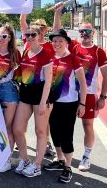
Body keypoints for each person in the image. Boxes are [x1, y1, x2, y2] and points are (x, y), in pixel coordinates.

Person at [53, 5, 107, 172]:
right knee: (62, 126)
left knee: (87, 125)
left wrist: (103, 97)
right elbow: (58, 33)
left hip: (90, 94)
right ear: (79, 33)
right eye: (82, 31)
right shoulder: (74, 47)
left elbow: (106, 76)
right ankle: (61, 155)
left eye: (88, 31)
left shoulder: (99, 51)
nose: (85, 34)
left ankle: (86, 156)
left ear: (93, 33)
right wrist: (57, 13)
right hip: (70, 93)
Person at [42, 29, 87, 184]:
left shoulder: (73, 59)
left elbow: (82, 83)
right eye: (55, 41)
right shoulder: (49, 58)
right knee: (55, 133)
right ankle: (60, 160)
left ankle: (68, 167)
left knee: (67, 135)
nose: (57, 43)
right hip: (53, 103)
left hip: (69, 103)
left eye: (61, 40)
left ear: (67, 42)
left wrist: (82, 103)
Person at [12, 25, 53, 177]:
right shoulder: (25, 51)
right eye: (27, 34)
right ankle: (25, 160)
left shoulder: (46, 54)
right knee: (17, 129)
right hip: (25, 94)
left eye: (33, 34)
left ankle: (37, 165)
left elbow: (48, 80)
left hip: (40, 95)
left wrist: (43, 102)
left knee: (40, 131)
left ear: (40, 35)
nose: (29, 37)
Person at [0, 23, 22, 173]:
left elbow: (21, 73)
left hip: (9, 90)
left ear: (10, 38)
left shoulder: (15, 53)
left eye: (4, 36)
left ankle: (6, 158)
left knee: (7, 126)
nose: (0, 38)